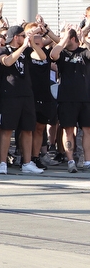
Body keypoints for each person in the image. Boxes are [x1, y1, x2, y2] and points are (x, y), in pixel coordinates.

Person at [0, 25, 44, 175]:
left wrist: (32, 43)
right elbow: (7, 62)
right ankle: (2, 162)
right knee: (7, 129)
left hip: (26, 94)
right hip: (10, 94)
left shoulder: (27, 50)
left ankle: (27, 162)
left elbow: (42, 57)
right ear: (16, 37)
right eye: (22, 35)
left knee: (28, 129)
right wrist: (22, 47)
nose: (24, 38)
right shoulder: (1, 50)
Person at [50, 24, 90, 172]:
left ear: (74, 38)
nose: (63, 39)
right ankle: (71, 161)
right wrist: (64, 38)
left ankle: (87, 161)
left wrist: (84, 40)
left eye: (67, 37)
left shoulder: (84, 52)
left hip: (85, 98)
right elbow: (53, 55)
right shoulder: (63, 53)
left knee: (87, 130)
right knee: (68, 130)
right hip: (67, 98)